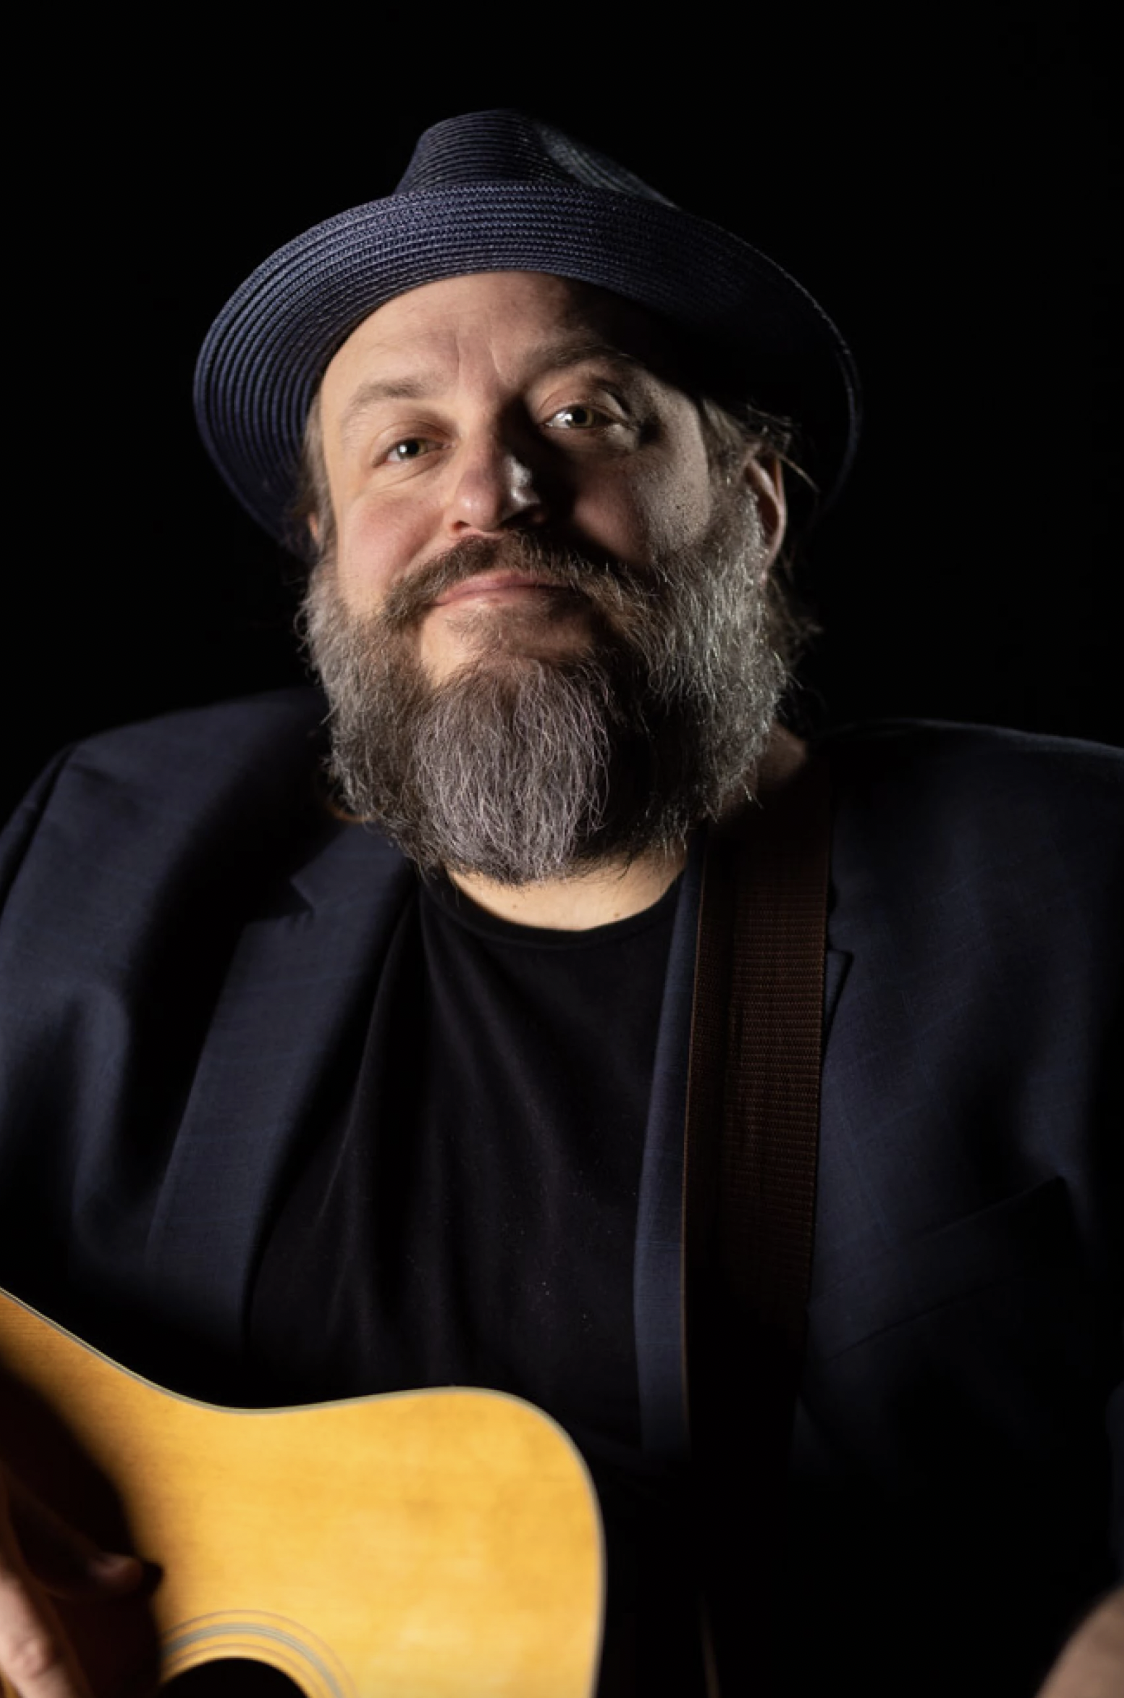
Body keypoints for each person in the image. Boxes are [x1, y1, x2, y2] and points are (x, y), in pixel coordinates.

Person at [0, 109, 1120, 1697]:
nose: (493, 493)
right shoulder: (112, 849)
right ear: (327, 556)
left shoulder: (1072, 886)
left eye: (589, 414)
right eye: (403, 444)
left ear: (756, 507)